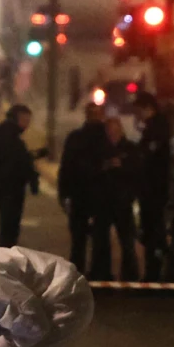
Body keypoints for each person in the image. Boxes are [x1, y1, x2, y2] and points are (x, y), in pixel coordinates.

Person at [57, 103, 107, 274]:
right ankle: (98, 274)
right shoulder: (105, 138)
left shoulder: (76, 137)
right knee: (97, 240)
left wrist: (63, 194)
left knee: (80, 241)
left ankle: (79, 275)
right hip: (97, 197)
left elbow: (66, 168)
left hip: (82, 196)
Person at [91, 118, 140, 281]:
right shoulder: (99, 149)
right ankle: (101, 273)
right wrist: (105, 166)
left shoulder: (130, 149)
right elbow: (90, 171)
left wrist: (123, 165)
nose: (112, 134)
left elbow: (137, 171)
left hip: (123, 201)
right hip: (103, 201)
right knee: (100, 240)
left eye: (115, 130)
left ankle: (130, 275)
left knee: (127, 240)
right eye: (109, 131)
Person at [0, 105, 39, 248]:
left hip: (3, 188)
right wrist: (32, 179)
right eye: (25, 120)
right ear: (17, 119)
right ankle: (4, 262)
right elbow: (19, 163)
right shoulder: (11, 139)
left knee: (7, 229)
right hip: (10, 189)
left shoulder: (3, 135)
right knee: (9, 231)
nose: (27, 124)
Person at [134, 92, 172, 282]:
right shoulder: (156, 127)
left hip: (154, 190)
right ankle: (153, 271)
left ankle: (153, 273)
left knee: (153, 231)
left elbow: (148, 157)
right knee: (152, 231)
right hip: (153, 189)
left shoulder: (157, 128)